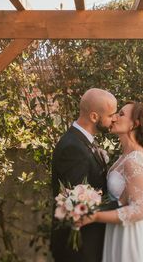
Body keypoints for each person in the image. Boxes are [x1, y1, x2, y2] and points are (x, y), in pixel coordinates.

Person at [78, 102, 143, 262]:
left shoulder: (135, 160)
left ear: (135, 124)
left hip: (132, 235)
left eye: (121, 114)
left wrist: (95, 216)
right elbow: (123, 199)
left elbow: (139, 210)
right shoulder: (125, 156)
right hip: (119, 230)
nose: (114, 117)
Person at [50, 88, 118, 262]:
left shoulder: (83, 141)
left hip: (89, 242)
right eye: (111, 115)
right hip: (79, 247)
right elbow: (77, 204)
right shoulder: (73, 148)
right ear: (94, 117)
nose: (114, 119)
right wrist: (122, 205)